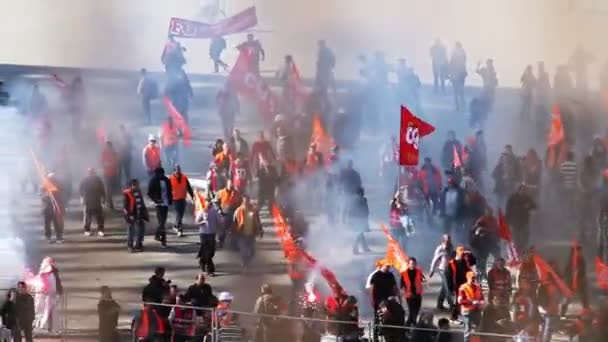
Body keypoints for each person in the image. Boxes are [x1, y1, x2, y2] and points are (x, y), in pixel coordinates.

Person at [233, 196, 263, 271]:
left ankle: (247, 262)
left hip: (251, 234)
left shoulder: (253, 210)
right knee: (244, 251)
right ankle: (245, 265)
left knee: (252, 252)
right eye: (245, 201)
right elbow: (234, 222)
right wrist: (234, 232)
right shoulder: (238, 210)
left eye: (247, 201)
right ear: (243, 201)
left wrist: (260, 230)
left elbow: (258, 221)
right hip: (241, 235)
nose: (246, 202)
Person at [33, 257, 63, 333]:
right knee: (43, 312)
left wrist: (59, 291)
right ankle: (43, 327)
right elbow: (39, 285)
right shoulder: (42, 274)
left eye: (51, 262)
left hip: (52, 295)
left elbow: (57, 282)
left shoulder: (54, 273)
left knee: (53, 312)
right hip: (44, 296)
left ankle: (54, 328)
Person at [505, 184, 537, 252]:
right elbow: (508, 209)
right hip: (515, 220)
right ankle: (518, 249)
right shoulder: (512, 198)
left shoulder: (527, 197)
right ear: (518, 190)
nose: (523, 191)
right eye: (521, 189)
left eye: (524, 190)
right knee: (516, 237)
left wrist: (529, 205)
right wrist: (507, 221)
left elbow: (535, 205)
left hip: (524, 220)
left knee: (525, 235)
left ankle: (523, 247)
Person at [148, 167, 172, 248]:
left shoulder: (166, 180)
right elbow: (149, 193)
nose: (160, 175)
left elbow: (170, 191)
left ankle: (157, 235)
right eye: (159, 174)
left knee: (162, 222)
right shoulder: (153, 180)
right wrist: (156, 200)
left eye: (162, 173)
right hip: (158, 204)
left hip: (165, 204)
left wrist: (170, 200)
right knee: (161, 222)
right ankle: (163, 240)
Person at [446, 246, 471, 322]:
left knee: (462, 300)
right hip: (455, 286)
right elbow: (448, 277)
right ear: (457, 253)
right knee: (457, 301)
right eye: (461, 253)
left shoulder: (464, 262)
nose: (462, 254)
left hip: (464, 285)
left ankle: (457, 315)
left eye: (463, 253)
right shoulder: (451, 264)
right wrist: (451, 288)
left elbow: (468, 272)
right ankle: (453, 317)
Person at [123, 179, 149, 252]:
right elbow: (125, 207)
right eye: (135, 185)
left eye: (137, 185)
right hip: (131, 215)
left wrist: (144, 212)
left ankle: (138, 244)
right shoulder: (127, 193)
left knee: (141, 229)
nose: (137, 186)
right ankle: (130, 246)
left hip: (139, 214)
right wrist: (129, 215)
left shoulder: (138, 192)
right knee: (131, 231)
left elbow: (141, 203)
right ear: (131, 186)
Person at [430, 234, 454, 311]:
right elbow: (435, 259)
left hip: (449, 269)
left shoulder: (451, 247)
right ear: (443, 240)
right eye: (447, 239)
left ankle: (439, 304)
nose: (448, 240)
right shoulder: (440, 249)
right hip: (442, 270)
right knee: (447, 287)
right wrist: (432, 270)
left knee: (445, 287)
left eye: (449, 239)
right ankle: (451, 304)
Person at [458, 271, 484, 342]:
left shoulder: (478, 287)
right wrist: (471, 302)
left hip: (477, 310)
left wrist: (481, 302)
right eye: (472, 278)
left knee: (478, 329)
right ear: (468, 278)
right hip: (467, 312)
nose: (473, 279)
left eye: (474, 278)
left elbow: (482, 297)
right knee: (467, 330)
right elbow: (460, 301)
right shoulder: (462, 288)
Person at [79, 167, 106, 237]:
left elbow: (102, 190)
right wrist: (82, 198)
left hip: (97, 201)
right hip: (87, 202)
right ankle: (87, 230)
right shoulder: (84, 180)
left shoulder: (98, 180)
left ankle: (100, 230)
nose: (91, 173)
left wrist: (103, 199)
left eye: (92, 172)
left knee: (99, 217)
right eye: (90, 172)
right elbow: (80, 190)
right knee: (87, 217)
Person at [216, 180, 242, 249]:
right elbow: (216, 202)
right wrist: (218, 209)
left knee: (234, 230)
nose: (231, 186)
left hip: (234, 213)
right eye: (230, 185)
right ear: (227, 185)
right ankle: (221, 242)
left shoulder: (237, 193)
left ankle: (234, 244)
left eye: (232, 185)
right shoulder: (221, 192)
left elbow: (240, 203)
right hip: (224, 213)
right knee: (223, 229)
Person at [169, 165, 194, 237]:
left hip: (183, 198)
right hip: (175, 199)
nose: (178, 171)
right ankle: (180, 229)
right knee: (179, 214)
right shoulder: (170, 179)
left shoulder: (184, 178)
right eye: (176, 170)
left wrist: (192, 196)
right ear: (174, 171)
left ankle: (175, 225)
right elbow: (168, 190)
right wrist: (168, 199)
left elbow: (189, 188)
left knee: (181, 214)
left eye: (179, 170)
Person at [41, 173, 65, 243]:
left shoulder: (58, 186)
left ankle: (59, 237)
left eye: (54, 178)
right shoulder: (44, 186)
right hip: (47, 208)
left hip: (56, 209)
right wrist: (48, 195)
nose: (53, 180)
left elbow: (62, 196)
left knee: (57, 223)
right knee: (47, 224)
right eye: (51, 179)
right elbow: (41, 195)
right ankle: (48, 237)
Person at [401, 257, 425, 326]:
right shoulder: (404, 273)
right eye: (411, 264)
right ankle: (413, 324)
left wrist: (424, 280)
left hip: (417, 294)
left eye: (414, 264)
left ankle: (408, 324)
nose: (413, 265)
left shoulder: (418, 271)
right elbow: (402, 285)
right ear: (408, 264)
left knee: (416, 310)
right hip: (409, 295)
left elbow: (422, 279)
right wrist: (404, 292)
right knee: (411, 311)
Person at [349, 187, 371, 254]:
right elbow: (366, 211)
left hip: (354, 219)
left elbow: (350, 210)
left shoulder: (352, 200)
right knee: (359, 234)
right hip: (360, 219)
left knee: (360, 234)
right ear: (361, 193)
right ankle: (355, 249)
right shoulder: (363, 200)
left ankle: (365, 248)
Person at [101, 141, 120, 210]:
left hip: (113, 173)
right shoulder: (104, 153)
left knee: (111, 189)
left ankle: (105, 200)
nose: (109, 148)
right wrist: (107, 164)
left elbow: (117, 162)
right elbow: (102, 162)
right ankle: (110, 204)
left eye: (110, 146)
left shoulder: (114, 153)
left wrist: (116, 168)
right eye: (108, 146)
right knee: (108, 189)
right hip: (107, 174)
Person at [449, 42, 467, 111]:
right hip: (461, 74)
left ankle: (457, 105)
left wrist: (450, 73)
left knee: (456, 91)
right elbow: (464, 62)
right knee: (461, 90)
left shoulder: (454, 54)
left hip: (456, 74)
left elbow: (451, 64)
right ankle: (462, 104)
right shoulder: (463, 53)